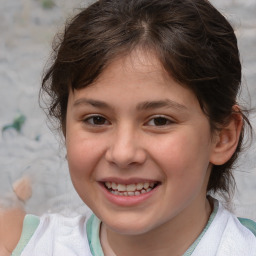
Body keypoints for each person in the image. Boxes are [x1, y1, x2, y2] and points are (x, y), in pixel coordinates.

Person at [1, 0, 256, 255]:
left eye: (159, 121)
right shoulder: (23, 246)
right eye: (96, 119)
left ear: (223, 137)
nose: (123, 154)